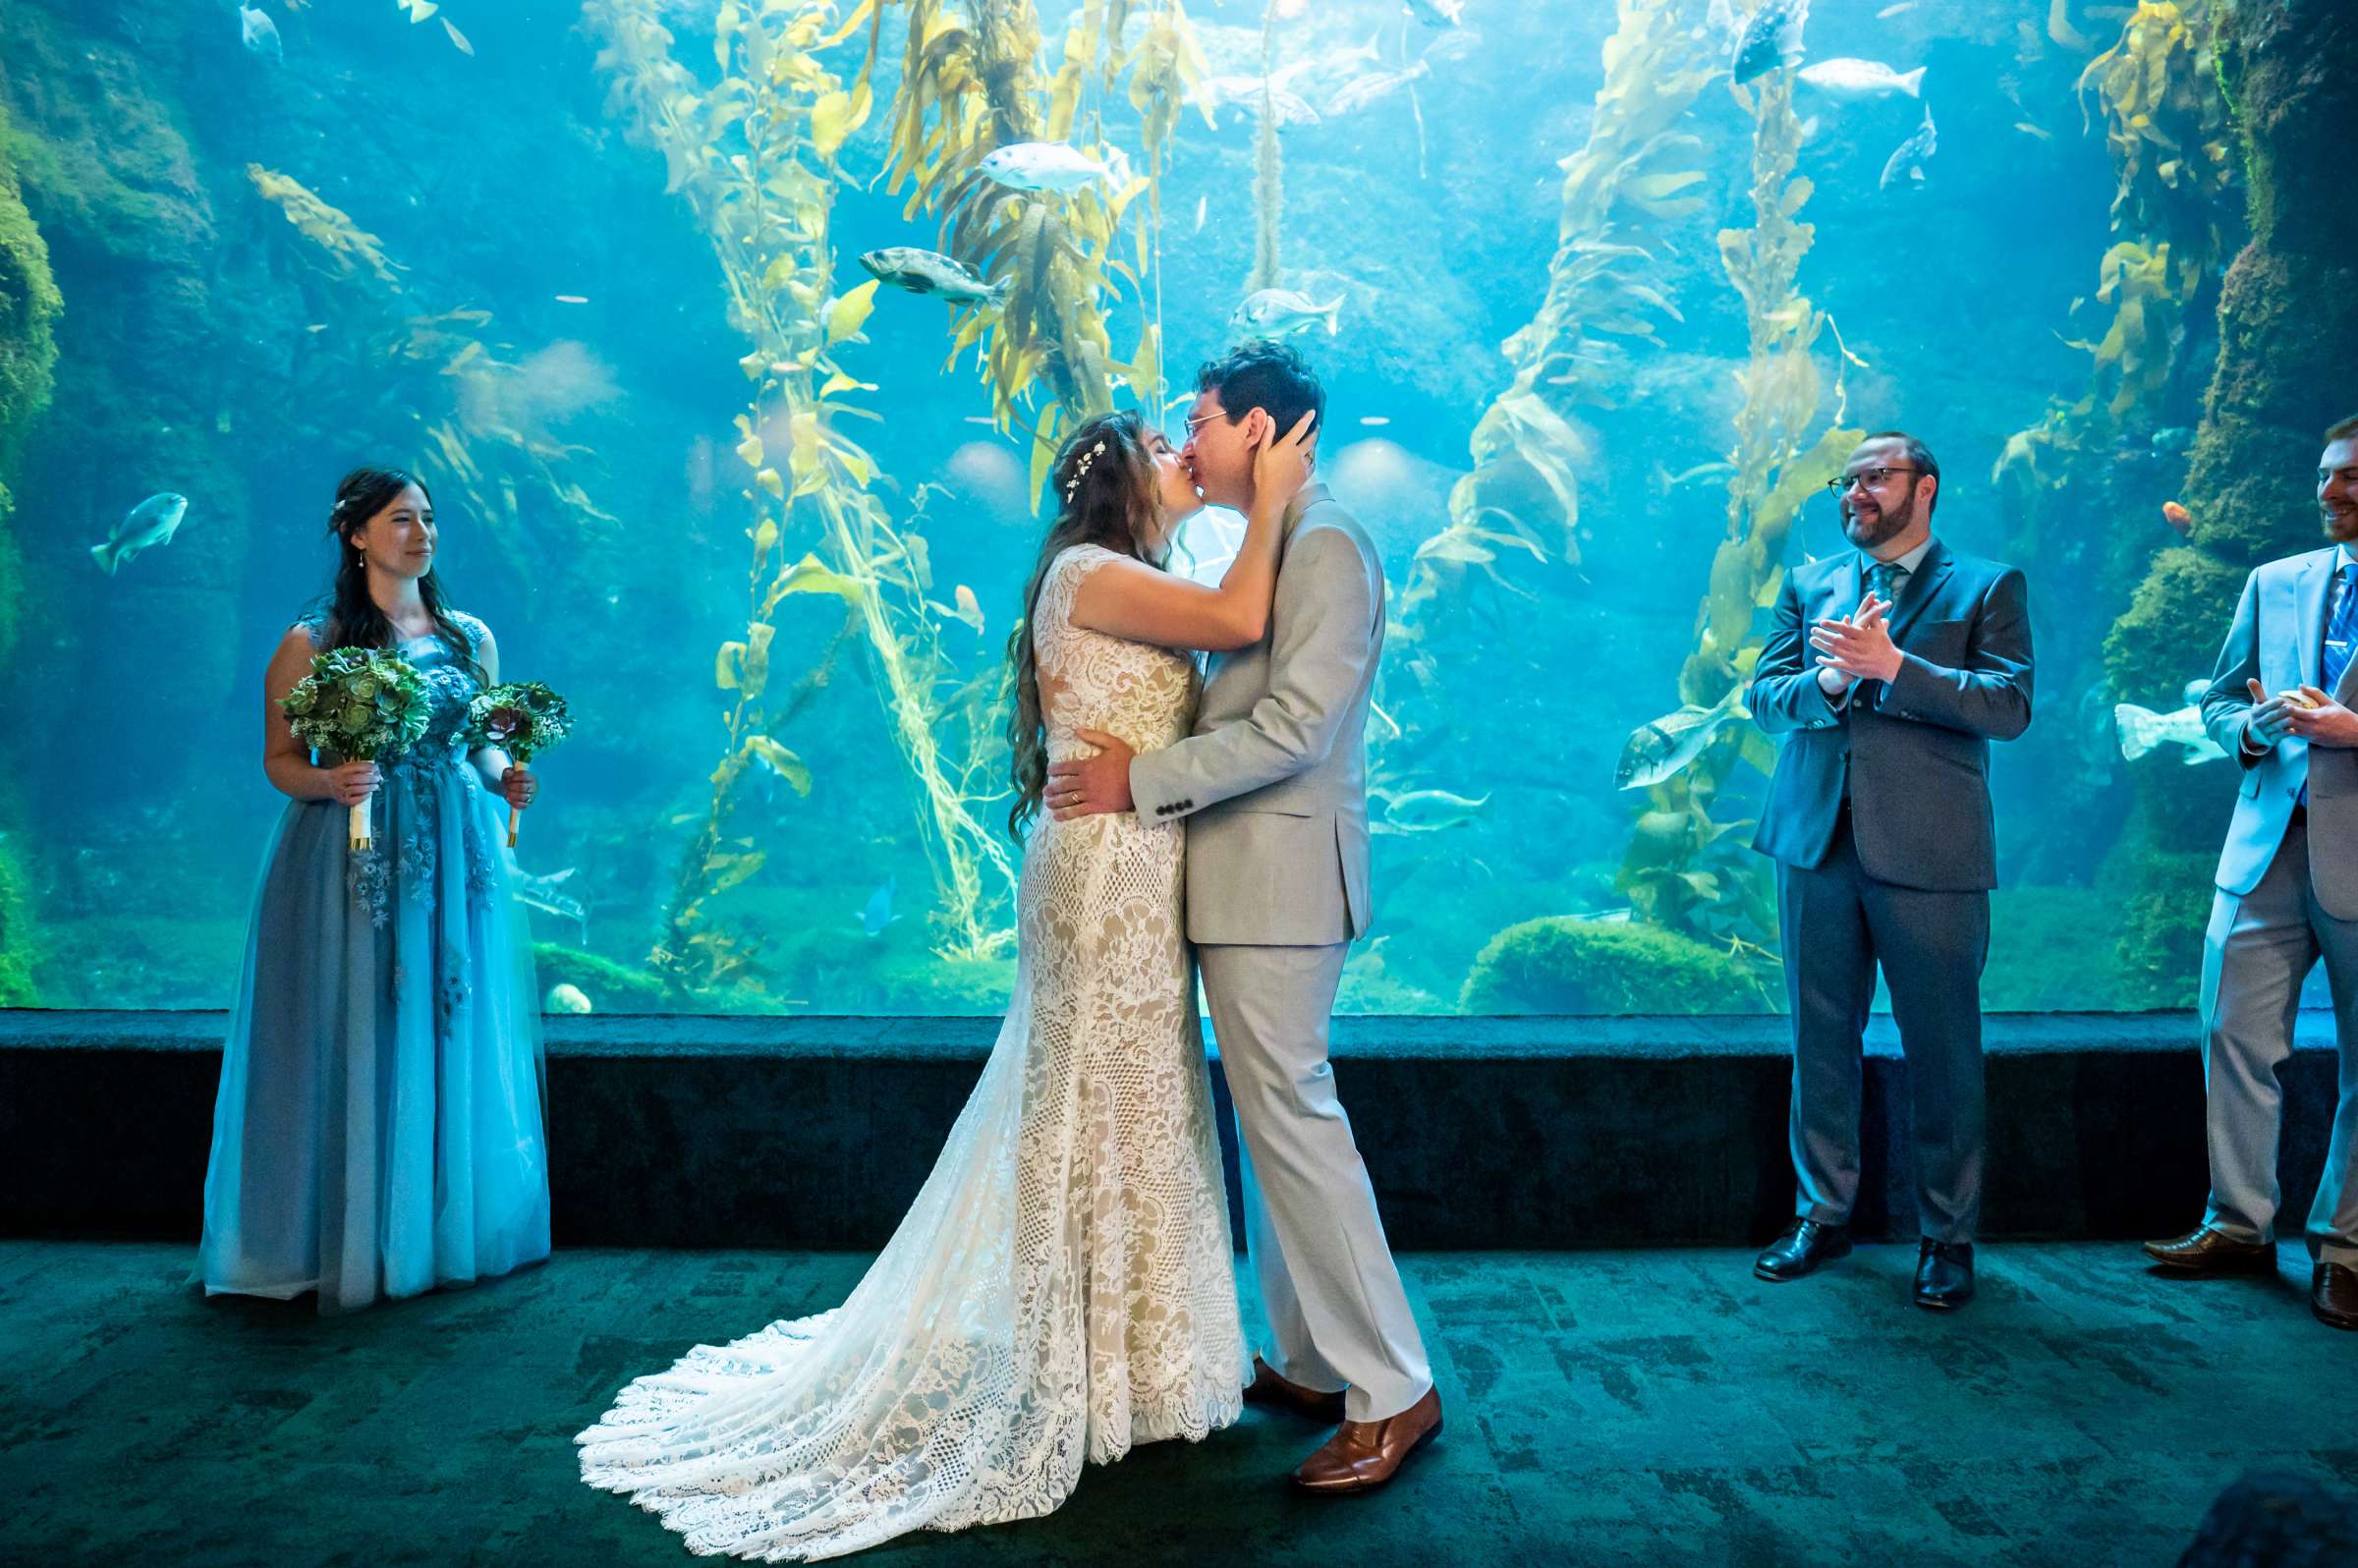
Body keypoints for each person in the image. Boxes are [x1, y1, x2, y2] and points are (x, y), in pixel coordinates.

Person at [578, 407, 1316, 1558]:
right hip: (1100, 871)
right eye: (1164, 452)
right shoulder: (1091, 573)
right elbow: (1241, 616)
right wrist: (1271, 492)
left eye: (1194, 444)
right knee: (1086, 1095)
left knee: (1134, 1095)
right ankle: (1075, 1355)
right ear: (1119, 479)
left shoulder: (1122, 571)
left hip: (1132, 862)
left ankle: (1128, 1360)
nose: (1185, 457)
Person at [1047, 340, 1442, 1494]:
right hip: (1237, 884)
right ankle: (1318, 1361)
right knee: (1274, 1134)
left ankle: (1396, 1390)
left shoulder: (1325, 546)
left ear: (1263, 432)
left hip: (1280, 888)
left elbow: (1298, 730)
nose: (1191, 437)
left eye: (1206, 417)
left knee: (1299, 1128)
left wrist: (1143, 782)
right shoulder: (1267, 549)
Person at [195, 466, 548, 1314]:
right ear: (357, 534)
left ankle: (438, 1231)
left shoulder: (470, 636)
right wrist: (335, 783)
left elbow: (478, 738)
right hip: (352, 854)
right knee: (358, 1022)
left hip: (457, 853)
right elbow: (280, 762)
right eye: (400, 519)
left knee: (449, 1022)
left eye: (427, 519)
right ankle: (347, 1235)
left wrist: (506, 775)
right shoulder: (311, 643)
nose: (421, 534)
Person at [1746, 431, 2034, 1311]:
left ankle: (1946, 1235)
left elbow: (2010, 706)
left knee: (1942, 1049)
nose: (1855, 493)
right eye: (1848, 480)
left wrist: (1895, 668)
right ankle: (1822, 1214)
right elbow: (1764, 698)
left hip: (1931, 853)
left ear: (1926, 488)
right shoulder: (1811, 581)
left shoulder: (1988, 585)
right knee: (1818, 1042)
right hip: (1815, 845)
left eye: (1876, 478)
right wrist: (1829, 686)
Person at [2144, 414, 2358, 1332]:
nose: (2329, 491)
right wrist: (2250, 729)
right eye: (2323, 473)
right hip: (2266, 842)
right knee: (2231, 1033)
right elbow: (2220, 698)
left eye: (2349, 476)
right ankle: (2236, 1222)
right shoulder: (2275, 583)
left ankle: (2346, 1249)